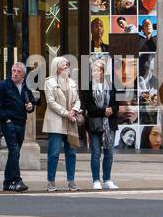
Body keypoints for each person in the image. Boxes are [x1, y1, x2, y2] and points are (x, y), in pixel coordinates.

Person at [0, 62, 35, 191]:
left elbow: (32, 102)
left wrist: (30, 107)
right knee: (14, 150)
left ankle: (7, 183)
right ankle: (17, 180)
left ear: (23, 74)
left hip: (21, 122)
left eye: (18, 72)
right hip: (9, 123)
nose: (15, 74)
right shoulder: (4, 85)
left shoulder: (26, 87)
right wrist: (6, 119)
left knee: (14, 153)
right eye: (13, 71)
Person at [43, 56, 81, 191]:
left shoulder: (72, 82)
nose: (66, 67)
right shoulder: (49, 82)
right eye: (64, 65)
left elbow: (77, 100)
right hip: (56, 122)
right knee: (53, 153)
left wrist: (75, 110)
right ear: (56, 67)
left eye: (67, 65)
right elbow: (51, 102)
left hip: (70, 122)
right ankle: (51, 182)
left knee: (71, 153)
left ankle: (71, 181)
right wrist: (67, 113)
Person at [80, 58, 120, 189]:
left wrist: (111, 110)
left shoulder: (111, 85)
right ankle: (96, 180)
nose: (95, 73)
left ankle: (107, 179)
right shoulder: (88, 87)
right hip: (94, 124)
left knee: (109, 153)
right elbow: (88, 108)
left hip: (110, 124)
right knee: (96, 153)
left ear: (104, 72)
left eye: (98, 70)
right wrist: (104, 111)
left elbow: (116, 104)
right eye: (94, 70)